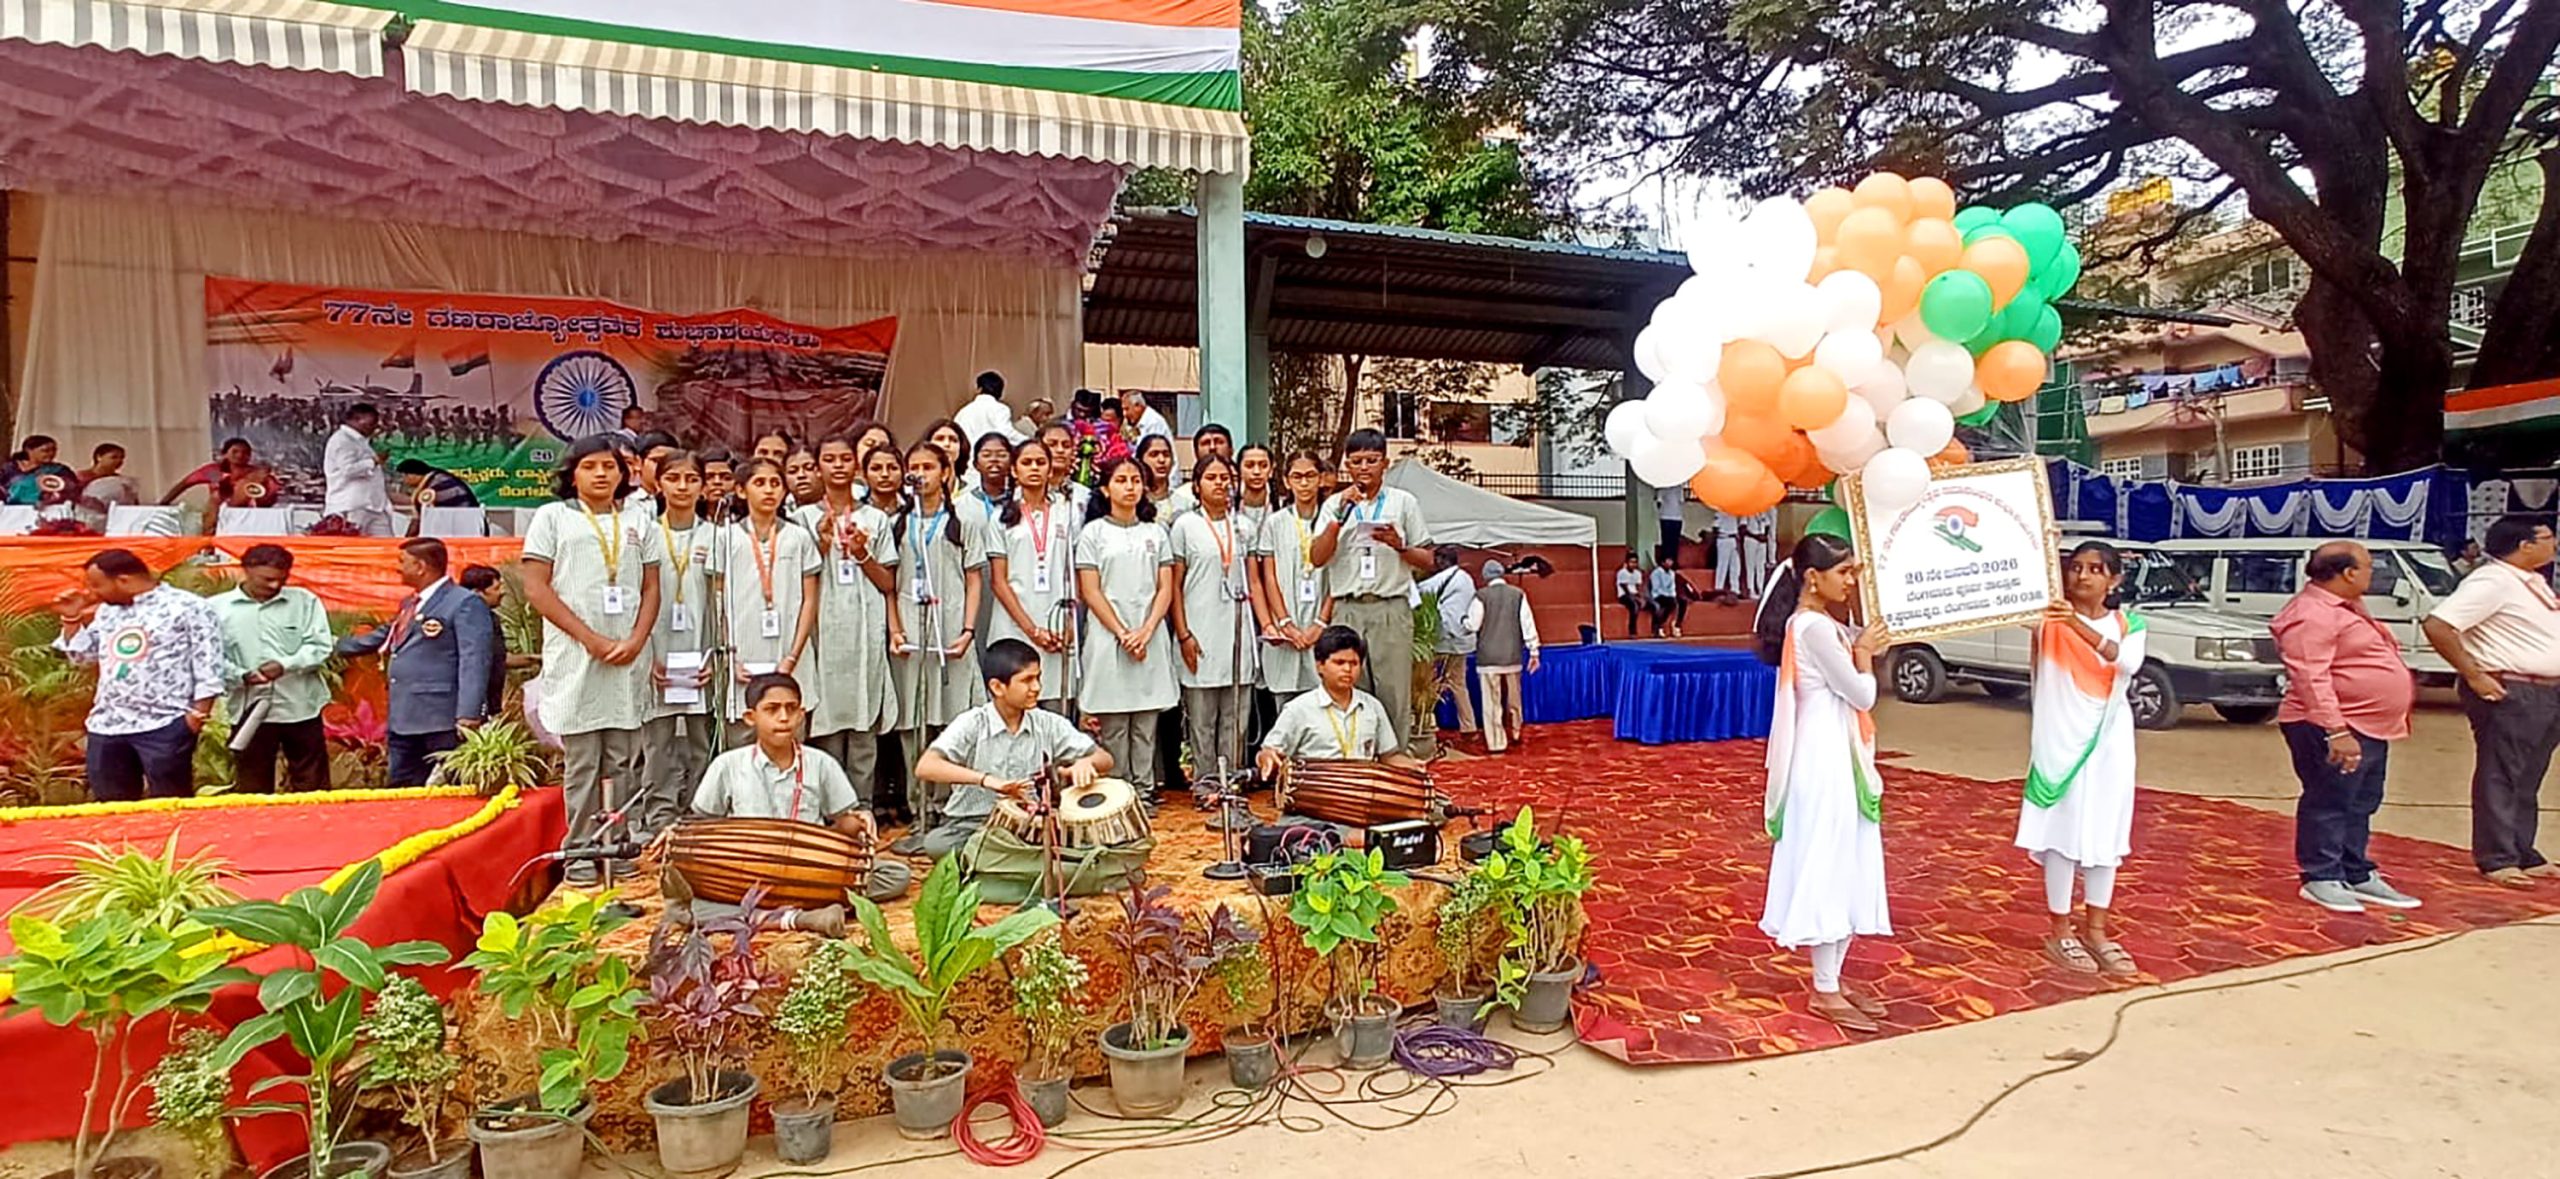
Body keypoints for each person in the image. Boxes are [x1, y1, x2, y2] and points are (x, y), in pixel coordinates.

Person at [1755, 533, 1893, 1033]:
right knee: (1829, 859)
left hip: (1834, 751)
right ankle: (1824, 986)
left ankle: (1832, 976)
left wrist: (1863, 642)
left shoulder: (1821, 624)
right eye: (1845, 573)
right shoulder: (1812, 627)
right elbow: (1861, 693)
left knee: (1844, 858)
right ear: (1814, 578)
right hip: (1823, 756)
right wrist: (1865, 656)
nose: (1851, 581)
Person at [521, 435, 664, 881]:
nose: (601, 474)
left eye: (610, 466)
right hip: (578, 656)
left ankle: (617, 849)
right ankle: (580, 854)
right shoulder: (552, 518)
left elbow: (651, 588)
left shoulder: (641, 520)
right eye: (590, 466)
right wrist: (591, 639)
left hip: (627, 656)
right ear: (573, 473)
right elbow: (537, 589)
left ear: (624, 474)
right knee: (584, 762)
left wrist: (637, 639)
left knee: (623, 759)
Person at [678, 673, 913, 927]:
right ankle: (801, 918)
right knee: (685, 904)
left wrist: (858, 821)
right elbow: (702, 825)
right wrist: (677, 836)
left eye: (791, 709)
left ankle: (774, 912)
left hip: (809, 871)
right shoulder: (727, 765)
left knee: (895, 875)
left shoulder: (821, 763)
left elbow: (841, 824)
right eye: (772, 709)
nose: (783, 717)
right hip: (746, 872)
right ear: (750, 717)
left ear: (801, 714)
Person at [2016, 542, 2147, 976]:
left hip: (2107, 742)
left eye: (2095, 569)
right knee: (2061, 836)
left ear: (2115, 580)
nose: (2083, 576)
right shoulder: (2046, 621)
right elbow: (2002, 599)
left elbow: (2125, 661)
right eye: (2076, 568)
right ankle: (2060, 930)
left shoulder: (2130, 624)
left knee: (2103, 837)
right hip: (2059, 745)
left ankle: (2098, 930)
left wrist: (2074, 624)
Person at [2273, 541, 2424, 913]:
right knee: (2330, 800)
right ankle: (2321, 875)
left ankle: (2356, 872)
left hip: (2369, 724)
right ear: (2348, 572)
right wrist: (2336, 731)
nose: (2374, 573)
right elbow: (2311, 676)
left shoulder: (2347, 607)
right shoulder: (2311, 614)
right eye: (2370, 566)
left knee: (2361, 801)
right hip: (2333, 725)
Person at [2420, 514, 2560, 887]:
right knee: (2502, 773)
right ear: (2524, 545)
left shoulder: (2531, 581)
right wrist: (2474, 673)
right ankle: (2497, 856)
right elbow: (2438, 624)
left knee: (2529, 774)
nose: (2554, 543)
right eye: (2548, 537)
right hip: (2511, 687)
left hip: (2546, 689)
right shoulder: (2491, 581)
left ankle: (2522, 850)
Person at [50, 549, 225, 800]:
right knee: (112, 806)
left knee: (169, 803)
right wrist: (71, 618)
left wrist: (197, 715)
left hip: (165, 723)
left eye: (98, 585)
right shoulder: (108, 611)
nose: (93, 593)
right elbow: (82, 658)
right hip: (107, 724)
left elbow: (208, 661)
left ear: (123, 580)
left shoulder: (189, 607)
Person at [915, 639, 1115, 857]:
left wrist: (1085, 762)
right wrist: (987, 780)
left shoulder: (1047, 723)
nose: (1036, 687)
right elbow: (926, 766)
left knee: (1093, 840)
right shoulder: (973, 722)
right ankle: (1024, 863)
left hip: (1031, 823)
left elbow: (1105, 759)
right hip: (973, 824)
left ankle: (1004, 865)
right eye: (1027, 680)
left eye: (1038, 678)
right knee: (938, 844)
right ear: (997, 687)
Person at [1307, 429, 1433, 754]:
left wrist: (1399, 545)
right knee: (1349, 688)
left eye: (1371, 461)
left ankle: (1396, 770)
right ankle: (1358, 770)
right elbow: (1317, 557)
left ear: (1385, 464)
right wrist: (1337, 519)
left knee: (1393, 693)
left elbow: (1428, 559)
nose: (1364, 468)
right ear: (1346, 465)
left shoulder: (1403, 503)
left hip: (1390, 606)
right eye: (1356, 461)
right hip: (1347, 608)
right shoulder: (1335, 504)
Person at [889, 439, 987, 849]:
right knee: (914, 723)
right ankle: (919, 813)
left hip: (951, 631)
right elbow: (889, 585)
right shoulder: (896, 521)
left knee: (954, 722)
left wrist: (967, 631)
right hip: (912, 631)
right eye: (914, 467)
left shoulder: (962, 520)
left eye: (929, 467)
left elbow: (974, 578)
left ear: (946, 473)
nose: (921, 474)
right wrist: (895, 628)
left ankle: (953, 810)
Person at [338, 538, 498, 787]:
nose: (397, 568)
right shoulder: (410, 604)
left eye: (402, 562)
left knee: (454, 791)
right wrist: (326, 645)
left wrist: (469, 713)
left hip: (444, 718)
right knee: (401, 791)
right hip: (404, 716)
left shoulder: (464, 602)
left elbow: (475, 659)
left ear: (421, 566)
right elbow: (384, 636)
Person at [801, 435, 901, 806]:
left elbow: (888, 582)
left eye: (846, 458)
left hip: (864, 629)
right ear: (818, 466)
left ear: (855, 466)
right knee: (826, 722)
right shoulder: (803, 518)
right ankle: (828, 809)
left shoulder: (875, 518)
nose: (839, 465)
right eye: (830, 458)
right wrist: (822, 545)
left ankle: (861, 808)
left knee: (863, 722)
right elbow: (800, 580)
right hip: (822, 631)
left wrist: (861, 552)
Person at [1077, 456, 1180, 798]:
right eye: (1121, 480)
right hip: (1109, 637)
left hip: (1149, 634)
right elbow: (1090, 590)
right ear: (1106, 488)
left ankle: (1145, 789)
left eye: (1136, 480)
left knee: (1146, 723)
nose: (1130, 487)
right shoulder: (1093, 533)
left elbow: (1165, 587)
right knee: (1116, 723)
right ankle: (1118, 791)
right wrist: (1123, 633)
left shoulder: (1156, 532)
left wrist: (1147, 630)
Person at [210, 545, 337, 794]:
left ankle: (316, 827)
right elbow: (210, 657)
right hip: (248, 709)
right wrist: (241, 675)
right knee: (252, 785)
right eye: (266, 579)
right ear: (245, 571)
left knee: (313, 783)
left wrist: (285, 665)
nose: (274, 585)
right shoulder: (216, 608)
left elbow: (321, 645)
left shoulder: (304, 601)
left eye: (282, 579)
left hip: (300, 707)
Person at [710, 458, 821, 734]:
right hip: (742, 660)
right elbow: (717, 603)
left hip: (790, 657)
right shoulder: (725, 537)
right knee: (743, 747)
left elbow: (809, 601)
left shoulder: (799, 537)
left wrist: (792, 657)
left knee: (790, 741)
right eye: (759, 483)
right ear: (740, 490)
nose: (769, 490)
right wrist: (729, 659)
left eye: (775, 483)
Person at [637, 453, 715, 842]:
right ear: (659, 483)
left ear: (703, 486)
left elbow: (721, 603)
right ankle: (660, 813)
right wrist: (645, 654)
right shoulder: (645, 533)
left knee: (702, 739)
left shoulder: (715, 536)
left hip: (700, 652)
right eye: (673, 478)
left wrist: (714, 655)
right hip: (657, 652)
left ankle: (701, 811)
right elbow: (637, 597)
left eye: (691, 479)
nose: (682, 487)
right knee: (658, 742)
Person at [1170, 454, 1258, 784]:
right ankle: (1207, 784)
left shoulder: (1244, 526)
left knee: (1236, 717)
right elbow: (1175, 586)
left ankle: (1231, 781)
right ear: (1196, 486)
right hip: (1199, 630)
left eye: (1226, 477)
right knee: (1202, 719)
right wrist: (1183, 635)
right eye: (1212, 477)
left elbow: (1256, 581)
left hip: (1237, 634)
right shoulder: (1184, 527)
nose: (1220, 483)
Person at [1256, 626, 1422, 773]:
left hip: (1363, 796)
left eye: (1354, 663)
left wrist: (1414, 766)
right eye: (1339, 662)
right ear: (1320, 665)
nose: (1347, 669)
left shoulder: (1372, 706)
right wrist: (1267, 757)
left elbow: (1389, 756)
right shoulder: (1298, 709)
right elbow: (1268, 751)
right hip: (1315, 797)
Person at [987, 437, 1077, 705]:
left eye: (1041, 462)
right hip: (1014, 623)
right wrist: (1032, 630)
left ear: (1051, 469)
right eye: (1027, 463)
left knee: (1054, 710)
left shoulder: (1065, 512)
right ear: (1014, 470)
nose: (1034, 468)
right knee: (1015, 704)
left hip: (1057, 622)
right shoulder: (1001, 516)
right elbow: (998, 581)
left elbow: (1073, 573)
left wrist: (1070, 622)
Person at [1252, 451, 1330, 704]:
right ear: (1286, 481)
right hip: (1286, 626)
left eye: (1310, 476)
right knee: (1284, 710)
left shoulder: (1332, 521)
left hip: (1321, 622)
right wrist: (1285, 622)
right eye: (1297, 476)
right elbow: (1269, 577)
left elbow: (1339, 577)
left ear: (1321, 479)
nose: (1304, 483)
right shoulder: (1275, 523)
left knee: (1322, 708)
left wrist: (1320, 623)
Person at [1466, 560, 1540, 754]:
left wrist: (1463, 622)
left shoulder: (1481, 596)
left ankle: (1497, 742)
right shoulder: (1518, 595)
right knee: (1514, 698)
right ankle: (1516, 730)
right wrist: (1534, 651)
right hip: (1512, 655)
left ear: (1485, 577)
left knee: (1492, 701)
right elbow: (1527, 624)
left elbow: (1473, 625)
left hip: (1488, 657)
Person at [1420, 546, 1480, 738]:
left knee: (1426, 684)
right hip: (1463, 640)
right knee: (1458, 684)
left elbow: (1419, 591)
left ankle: (1427, 723)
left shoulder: (1444, 578)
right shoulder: (1467, 578)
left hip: (1443, 639)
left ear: (1441, 561)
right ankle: (1468, 727)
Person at [457, 564, 526, 713]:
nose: (502, 593)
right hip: (473, 707)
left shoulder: (491, 618)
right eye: (496, 588)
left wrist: (537, 659)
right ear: (476, 593)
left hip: (492, 703)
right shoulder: (466, 622)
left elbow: (498, 658)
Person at [324, 403, 394, 536]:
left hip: (374, 505)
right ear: (355, 420)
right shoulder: (342, 440)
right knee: (353, 547)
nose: (374, 427)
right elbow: (348, 470)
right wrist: (373, 461)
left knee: (385, 546)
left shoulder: (360, 441)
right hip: (352, 505)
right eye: (370, 423)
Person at [954, 370, 1027, 445]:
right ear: (1000, 392)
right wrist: (1029, 441)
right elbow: (1006, 433)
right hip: (991, 454)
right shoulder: (1001, 409)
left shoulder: (963, 412)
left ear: (979, 389)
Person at [75, 444, 139, 529]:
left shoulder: (121, 481)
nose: (119, 461)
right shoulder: (82, 477)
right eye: (114, 457)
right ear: (99, 457)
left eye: (122, 458)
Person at [5, 435, 77, 506]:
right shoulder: (10, 468)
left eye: (54, 450)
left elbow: (72, 489)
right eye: (46, 451)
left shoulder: (60, 470)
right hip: (11, 510)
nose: (51, 453)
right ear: (29, 450)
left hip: (47, 510)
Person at [396, 459, 482, 511]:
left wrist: (405, 539)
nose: (404, 480)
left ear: (412, 475)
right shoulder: (435, 478)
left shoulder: (437, 483)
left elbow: (424, 516)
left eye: (404, 476)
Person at [1649, 551, 1690, 637]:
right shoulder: (1656, 573)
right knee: (1670, 603)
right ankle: (1660, 625)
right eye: (1668, 561)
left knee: (1683, 602)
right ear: (1663, 562)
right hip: (1658, 595)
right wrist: (1669, 596)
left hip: (1669, 595)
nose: (1670, 563)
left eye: (1671, 561)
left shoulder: (1672, 573)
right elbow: (1656, 588)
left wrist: (1673, 595)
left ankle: (1677, 624)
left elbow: (1672, 587)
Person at [1712, 512, 1746, 597]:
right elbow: (1715, 527)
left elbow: (1742, 526)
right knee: (1722, 566)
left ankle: (1735, 589)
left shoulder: (1737, 511)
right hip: (1724, 538)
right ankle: (1718, 588)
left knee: (1735, 566)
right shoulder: (1721, 510)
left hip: (1734, 539)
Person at [1615, 552, 1647, 637]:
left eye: (1635, 562)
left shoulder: (1637, 573)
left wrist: (1642, 597)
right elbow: (1625, 589)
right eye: (1631, 562)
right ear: (1627, 562)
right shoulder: (1622, 573)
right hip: (1624, 595)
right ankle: (1632, 631)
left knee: (1654, 605)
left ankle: (1656, 630)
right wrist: (1637, 599)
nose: (1633, 564)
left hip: (1634, 594)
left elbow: (1638, 587)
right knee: (1634, 606)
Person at [1655, 484, 1686, 566]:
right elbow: (1681, 501)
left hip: (1666, 516)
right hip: (1676, 517)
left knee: (1666, 541)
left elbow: (1659, 502)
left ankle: (1666, 561)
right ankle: (1672, 561)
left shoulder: (1662, 487)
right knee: (1673, 542)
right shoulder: (1679, 487)